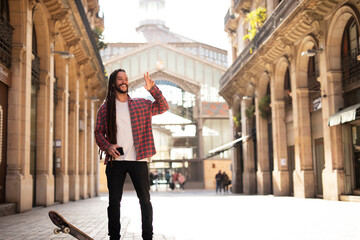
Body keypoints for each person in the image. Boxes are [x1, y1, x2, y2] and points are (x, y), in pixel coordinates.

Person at [94, 69, 169, 240]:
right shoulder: (105, 108)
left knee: (145, 201)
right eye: (120, 79)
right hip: (116, 161)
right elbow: (98, 132)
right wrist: (108, 146)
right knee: (114, 202)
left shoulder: (141, 104)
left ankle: (147, 236)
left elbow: (163, 106)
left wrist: (153, 89)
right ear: (113, 83)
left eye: (126, 79)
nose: (124, 81)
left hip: (138, 159)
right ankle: (114, 237)